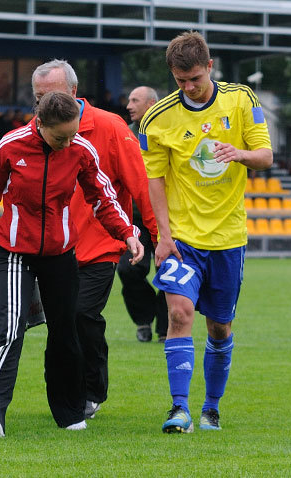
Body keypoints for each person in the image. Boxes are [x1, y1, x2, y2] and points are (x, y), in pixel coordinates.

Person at [0, 91, 144, 437]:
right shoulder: (10, 147)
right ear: (40, 124)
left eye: (73, 135)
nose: (68, 142)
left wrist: (127, 233)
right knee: (10, 329)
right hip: (14, 251)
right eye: (60, 137)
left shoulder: (81, 151)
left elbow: (103, 197)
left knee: (65, 332)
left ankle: (69, 412)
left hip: (60, 254)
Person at [140, 31, 273, 433]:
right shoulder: (157, 118)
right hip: (182, 239)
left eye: (195, 78)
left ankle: (211, 407)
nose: (189, 88)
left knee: (219, 327)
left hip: (228, 238)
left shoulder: (242, 99)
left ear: (210, 66)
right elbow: (155, 180)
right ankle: (178, 408)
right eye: (180, 81)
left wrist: (240, 154)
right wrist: (163, 235)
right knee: (179, 314)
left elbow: (265, 156)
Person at [31, 59, 159, 419]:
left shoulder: (110, 127)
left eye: (51, 95)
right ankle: (65, 392)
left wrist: (158, 236)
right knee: (61, 323)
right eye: (38, 97)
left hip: (101, 243)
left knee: (82, 313)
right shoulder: (32, 131)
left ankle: (91, 391)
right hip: (55, 249)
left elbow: (140, 185)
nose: (43, 105)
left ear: (73, 93)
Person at [117, 85, 167, 343]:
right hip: (134, 217)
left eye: (135, 100)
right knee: (127, 270)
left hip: (166, 215)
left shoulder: (169, 130)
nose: (128, 105)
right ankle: (145, 317)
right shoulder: (125, 134)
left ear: (151, 104)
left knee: (169, 270)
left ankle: (165, 329)